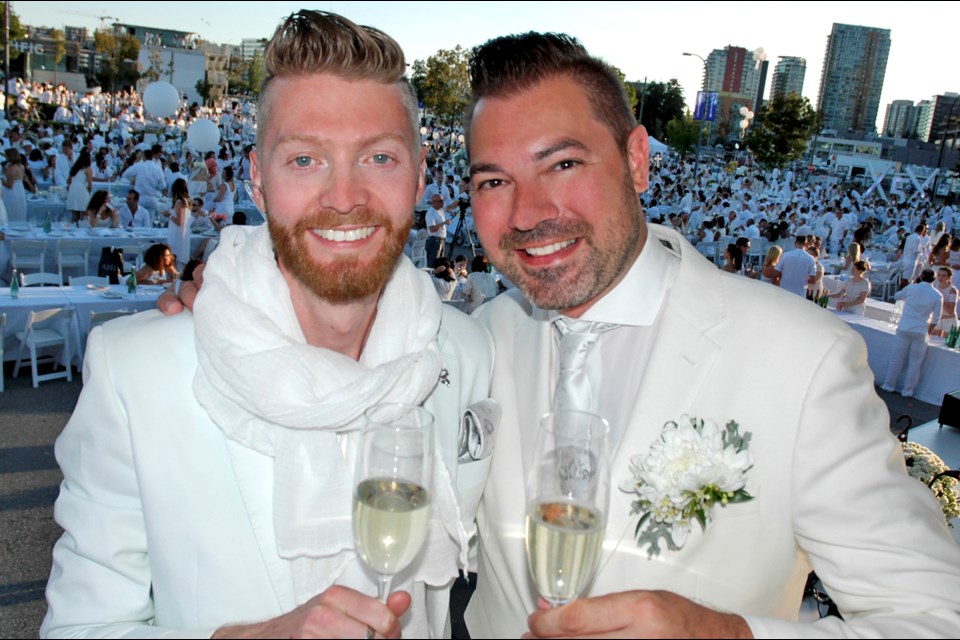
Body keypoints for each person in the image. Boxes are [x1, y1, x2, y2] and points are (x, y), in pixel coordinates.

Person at [462, 31, 960, 638]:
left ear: (638, 160)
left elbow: (935, 619)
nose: (526, 212)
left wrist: (729, 635)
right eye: (492, 181)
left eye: (563, 164)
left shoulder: (805, 362)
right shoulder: (482, 338)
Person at [41, 10, 493, 639]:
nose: (343, 197)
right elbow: (80, 628)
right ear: (256, 178)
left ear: (420, 174)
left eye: (379, 158)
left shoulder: (471, 355)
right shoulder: (137, 374)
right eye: (305, 160)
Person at [881, 268, 943, 398]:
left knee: (896, 359)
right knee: (915, 363)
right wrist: (928, 332)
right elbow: (936, 318)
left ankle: (889, 385)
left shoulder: (912, 288)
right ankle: (908, 391)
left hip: (905, 326)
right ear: (934, 279)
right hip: (921, 329)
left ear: (921, 276)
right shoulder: (937, 295)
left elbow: (897, 296)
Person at [161, 178, 192, 271]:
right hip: (182, 234)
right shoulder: (187, 201)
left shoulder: (179, 202)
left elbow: (179, 221)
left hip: (177, 235)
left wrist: (168, 215)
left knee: (175, 259)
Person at [66, 150, 93, 224]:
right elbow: (90, 185)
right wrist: (89, 193)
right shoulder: (88, 169)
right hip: (81, 189)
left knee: (74, 215)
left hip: (73, 188)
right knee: (85, 213)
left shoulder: (75, 168)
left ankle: (73, 228)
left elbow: (68, 181)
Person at [2, 147, 28, 222]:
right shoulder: (22, 166)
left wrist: (1, 181)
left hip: (13, 192)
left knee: (11, 210)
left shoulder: (12, 168)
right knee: (20, 210)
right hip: (20, 189)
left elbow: (9, 185)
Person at [932, 266, 958, 337]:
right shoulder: (934, 287)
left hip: (949, 320)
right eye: (939, 275)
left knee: (946, 345)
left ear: (948, 277)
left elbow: (950, 311)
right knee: (932, 342)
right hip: (936, 319)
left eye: (944, 275)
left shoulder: (952, 290)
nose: (941, 277)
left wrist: (941, 299)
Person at [424, 193, 450, 264]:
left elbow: (450, 206)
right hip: (434, 240)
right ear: (435, 202)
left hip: (441, 240)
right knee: (433, 262)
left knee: (440, 262)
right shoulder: (430, 213)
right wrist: (444, 223)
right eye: (441, 201)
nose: (443, 203)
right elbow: (432, 229)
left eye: (443, 200)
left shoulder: (440, 210)